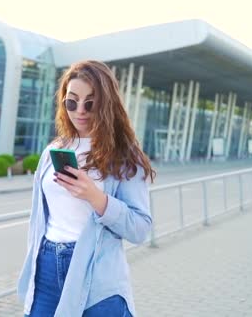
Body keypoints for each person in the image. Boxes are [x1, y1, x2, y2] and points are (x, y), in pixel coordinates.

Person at [18, 60, 156, 316]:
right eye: (72, 102)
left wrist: (96, 198)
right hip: (46, 268)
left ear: (107, 103)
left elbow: (140, 228)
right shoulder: (53, 152)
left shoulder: (125, 156)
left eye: (90, 103)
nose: (80, 110)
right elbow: (38, 219)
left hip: (97, 276)